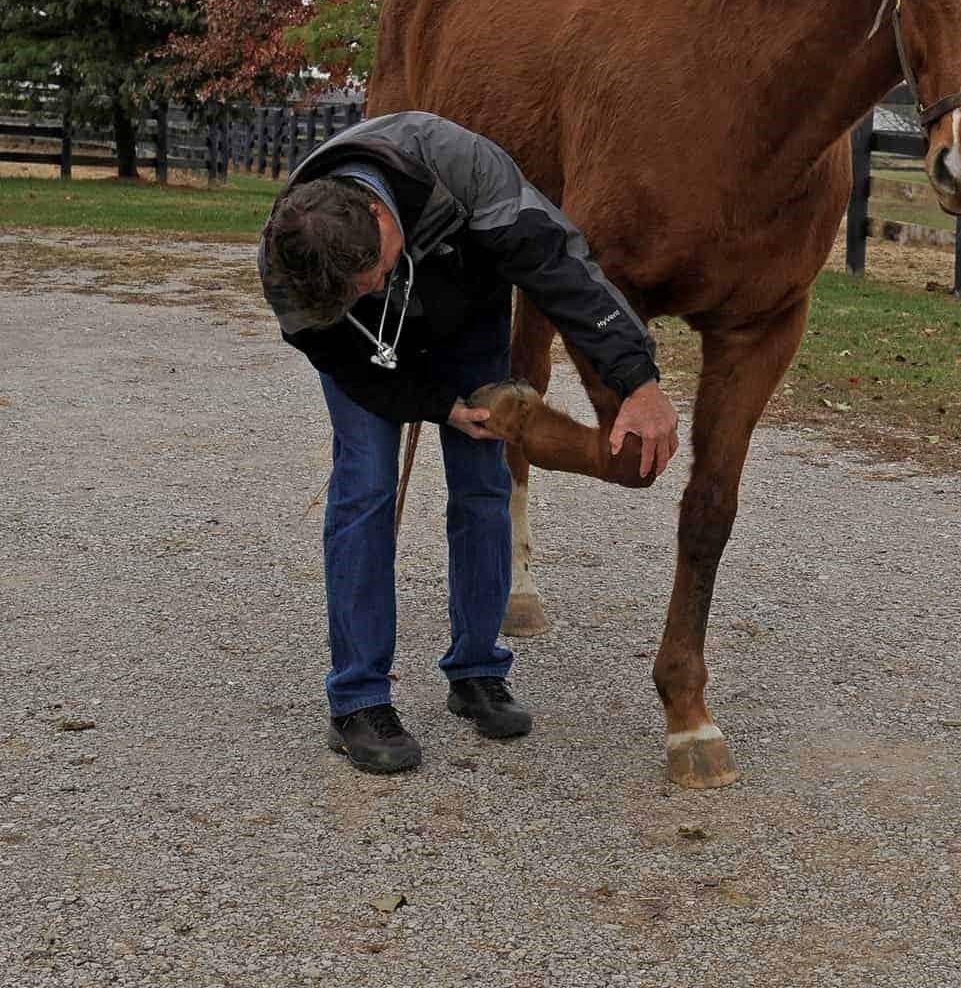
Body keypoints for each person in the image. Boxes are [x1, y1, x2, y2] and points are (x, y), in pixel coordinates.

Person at [258, 110, 679, 775]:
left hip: (467, 317)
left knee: (484, 481)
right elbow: (340, 358)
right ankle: (358, 700)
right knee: (366, 487)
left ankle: (477, 670)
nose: (364, 294)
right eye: (350, 294)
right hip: (367, 360)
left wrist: (636, 377)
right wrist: (434, 405)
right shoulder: (293, 259)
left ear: (383, 220)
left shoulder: (462, 171)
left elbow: (557, 265)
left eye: (367, 282)